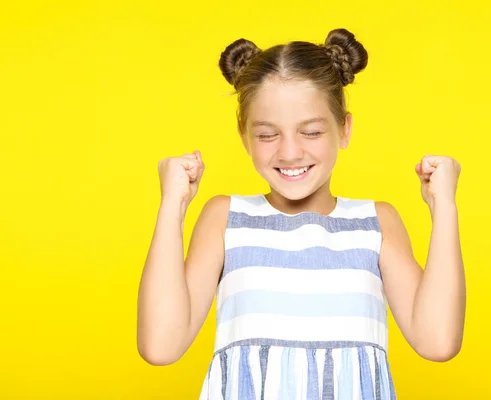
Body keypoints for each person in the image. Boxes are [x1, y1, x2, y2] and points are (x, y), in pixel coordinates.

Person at [137, 28, 466, 400]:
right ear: (243, 135)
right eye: (266, 135)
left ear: (344, 129)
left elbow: (438, 341)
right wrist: (172, 206)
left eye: (310, 132)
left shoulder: (376, 223)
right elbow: (160, 346)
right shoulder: (226, 218)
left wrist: (444, 208)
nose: (290, 152)